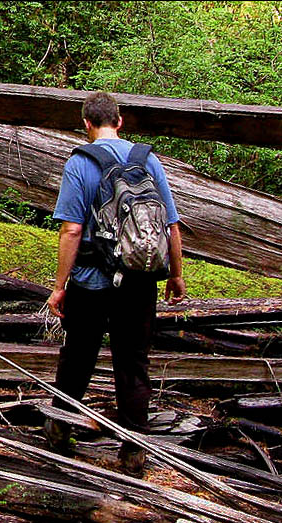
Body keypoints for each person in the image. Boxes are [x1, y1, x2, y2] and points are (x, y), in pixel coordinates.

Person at [44, 91, 186, 475]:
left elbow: (72, 230)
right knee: (133, 361)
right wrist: (175, 274)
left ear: (86, 124)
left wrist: (59, 286)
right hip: (140, 280)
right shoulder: (147, 159)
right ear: (120, 121)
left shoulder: (80, 163)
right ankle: (134, 450)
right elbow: (170, 224)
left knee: (78, 355)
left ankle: (59, 429)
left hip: (91, 282)